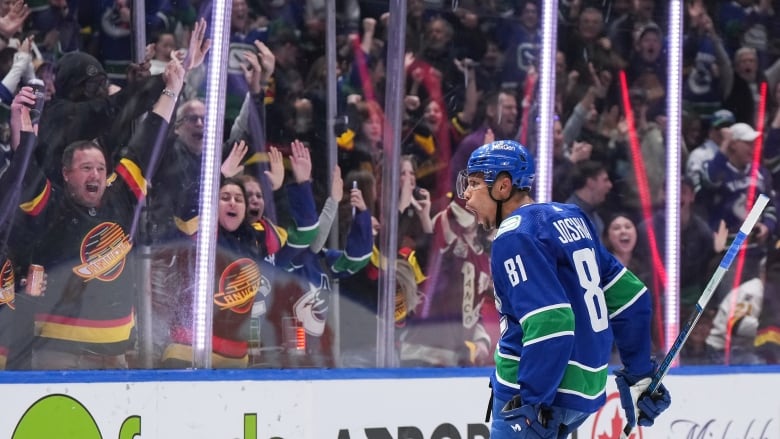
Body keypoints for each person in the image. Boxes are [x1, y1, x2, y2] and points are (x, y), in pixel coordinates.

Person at [457, 139, 670, 437]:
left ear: (503, 187)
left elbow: (551, 323)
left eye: (475, 183)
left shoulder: (514, 236)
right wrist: (640, 376)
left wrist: (532, 402)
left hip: (538, 395)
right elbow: (631, 298)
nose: (466, 194)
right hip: (582, 394)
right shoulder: (572, 217)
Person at [10, 56, 185, 370]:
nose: (95, 175)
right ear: (66, 174)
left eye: (101, 168)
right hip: (61, 356)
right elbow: (25, 175)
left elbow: (148, 141)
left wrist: (173, 89)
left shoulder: (120, 196)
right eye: (86, 168)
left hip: (116, 359)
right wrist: (20, 131)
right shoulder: (52, 207)